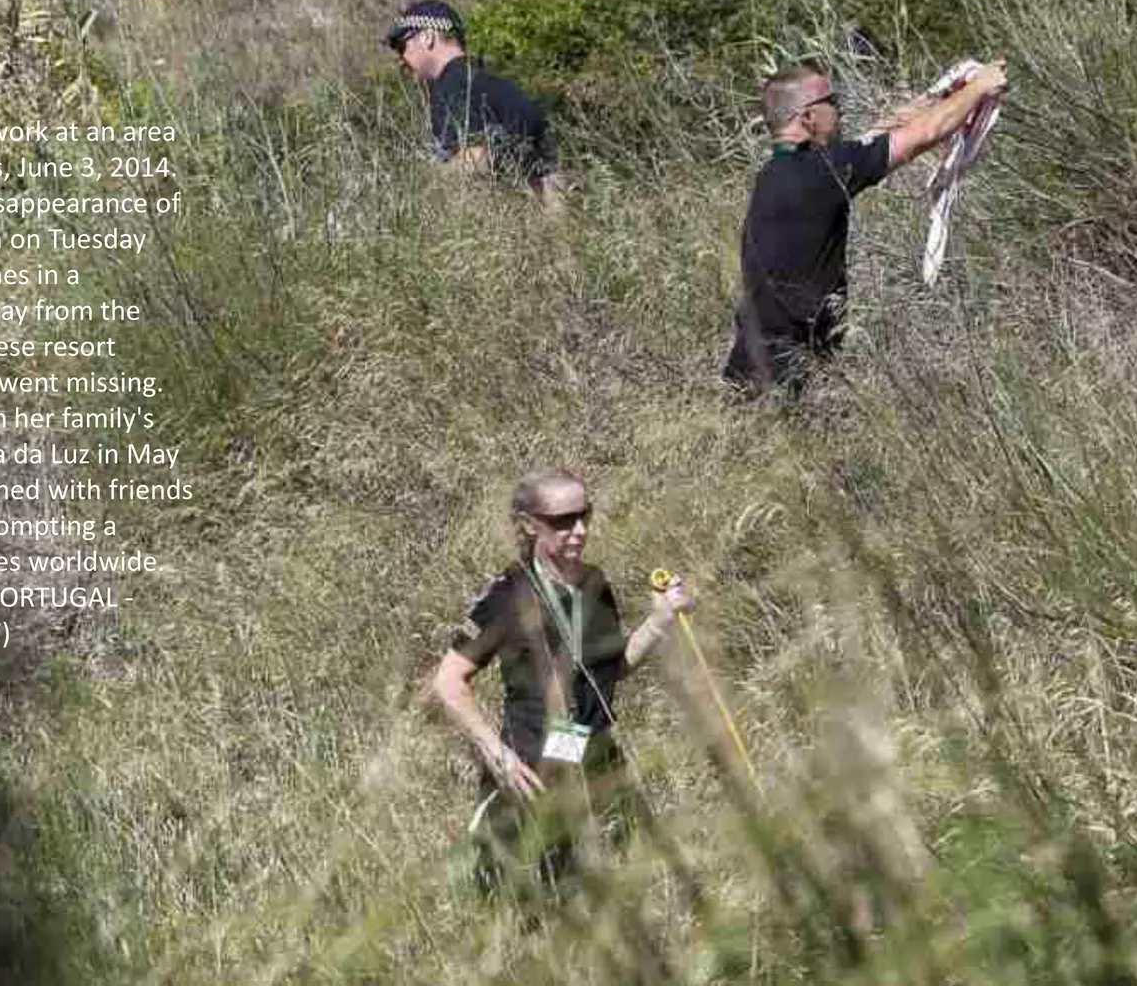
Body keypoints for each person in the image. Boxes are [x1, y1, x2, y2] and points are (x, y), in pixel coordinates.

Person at [431, 470, 695, 898]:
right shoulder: (507, 595)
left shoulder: (596, 584)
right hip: (531, 768)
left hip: (597, 765)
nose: (580, 530)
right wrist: (497, 756)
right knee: (524, 905)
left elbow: (612, 670)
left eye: (585, 515)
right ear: (529, 524)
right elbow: (449, 681)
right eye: (563, 521)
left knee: (605, 902)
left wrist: (660, 621)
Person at [721, 59, 1011, 397]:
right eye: (833, 103)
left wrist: (942, 94)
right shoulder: (821, 174)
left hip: (754, 370)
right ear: (808, 117)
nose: (840, 111)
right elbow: (925, 134)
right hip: (784, 381)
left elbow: (877, 136)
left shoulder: (786, 171)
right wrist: (979, 88)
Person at [385, 0, 560, 194]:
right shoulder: (496, 82)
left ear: (427, 37)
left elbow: (477, 158)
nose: (400, 60)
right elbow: (551, 175)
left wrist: (421, 185)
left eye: (401, 46)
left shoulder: (452, 86)